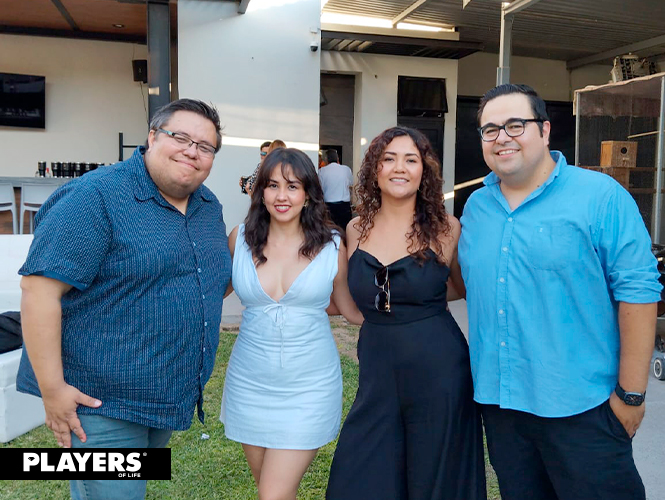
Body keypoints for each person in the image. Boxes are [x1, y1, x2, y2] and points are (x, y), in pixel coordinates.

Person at [17, 98, 232, 500]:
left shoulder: (207, 206)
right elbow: (39, 290)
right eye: (180, 137)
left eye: (206, 147)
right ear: (152, 136)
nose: (193, 151)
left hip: (164, 395)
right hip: (99, 403)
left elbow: (207, 278)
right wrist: (53, 390)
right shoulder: (95, 196)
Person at [458, 83, 662, 500]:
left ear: (545, 131)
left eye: (516, 125)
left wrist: (632, 394)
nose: (502, 137)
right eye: (490, 129)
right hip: (503, 408)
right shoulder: (477, 208)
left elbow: (638, 293)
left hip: (583, 407)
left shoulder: (601, 197)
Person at [326, 126, 486, 500]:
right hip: (378, 368)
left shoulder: (447, 229)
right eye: (389, 159)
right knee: (362, 468)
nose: (400, 168)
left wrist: (419, 300)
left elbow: (458, 287)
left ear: (423, 171)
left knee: (436, 474)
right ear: (374, 171)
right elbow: (348, 294)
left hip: (439, 368)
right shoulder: (355, 228)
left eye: (411, 160)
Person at [221, 148, 363, 500]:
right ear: (260, 192)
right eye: (272, 186)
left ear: (308, 194)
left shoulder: (332, 245)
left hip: (309, 387)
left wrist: (414, 308)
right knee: (273, 491)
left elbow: (349, 308)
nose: (281, 196)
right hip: (249, 385)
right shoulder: (239, 239)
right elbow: (208, 294)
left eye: (292, 186)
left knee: (273, 495)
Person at [318, 149, 354, 231]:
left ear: (326, 160)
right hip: (344, 207)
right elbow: (350, 184)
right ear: (337, 158)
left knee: (329, 232)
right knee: (345, 231)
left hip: (329, 207)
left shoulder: (321, 171)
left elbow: (319, 189)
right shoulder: (346, 169)